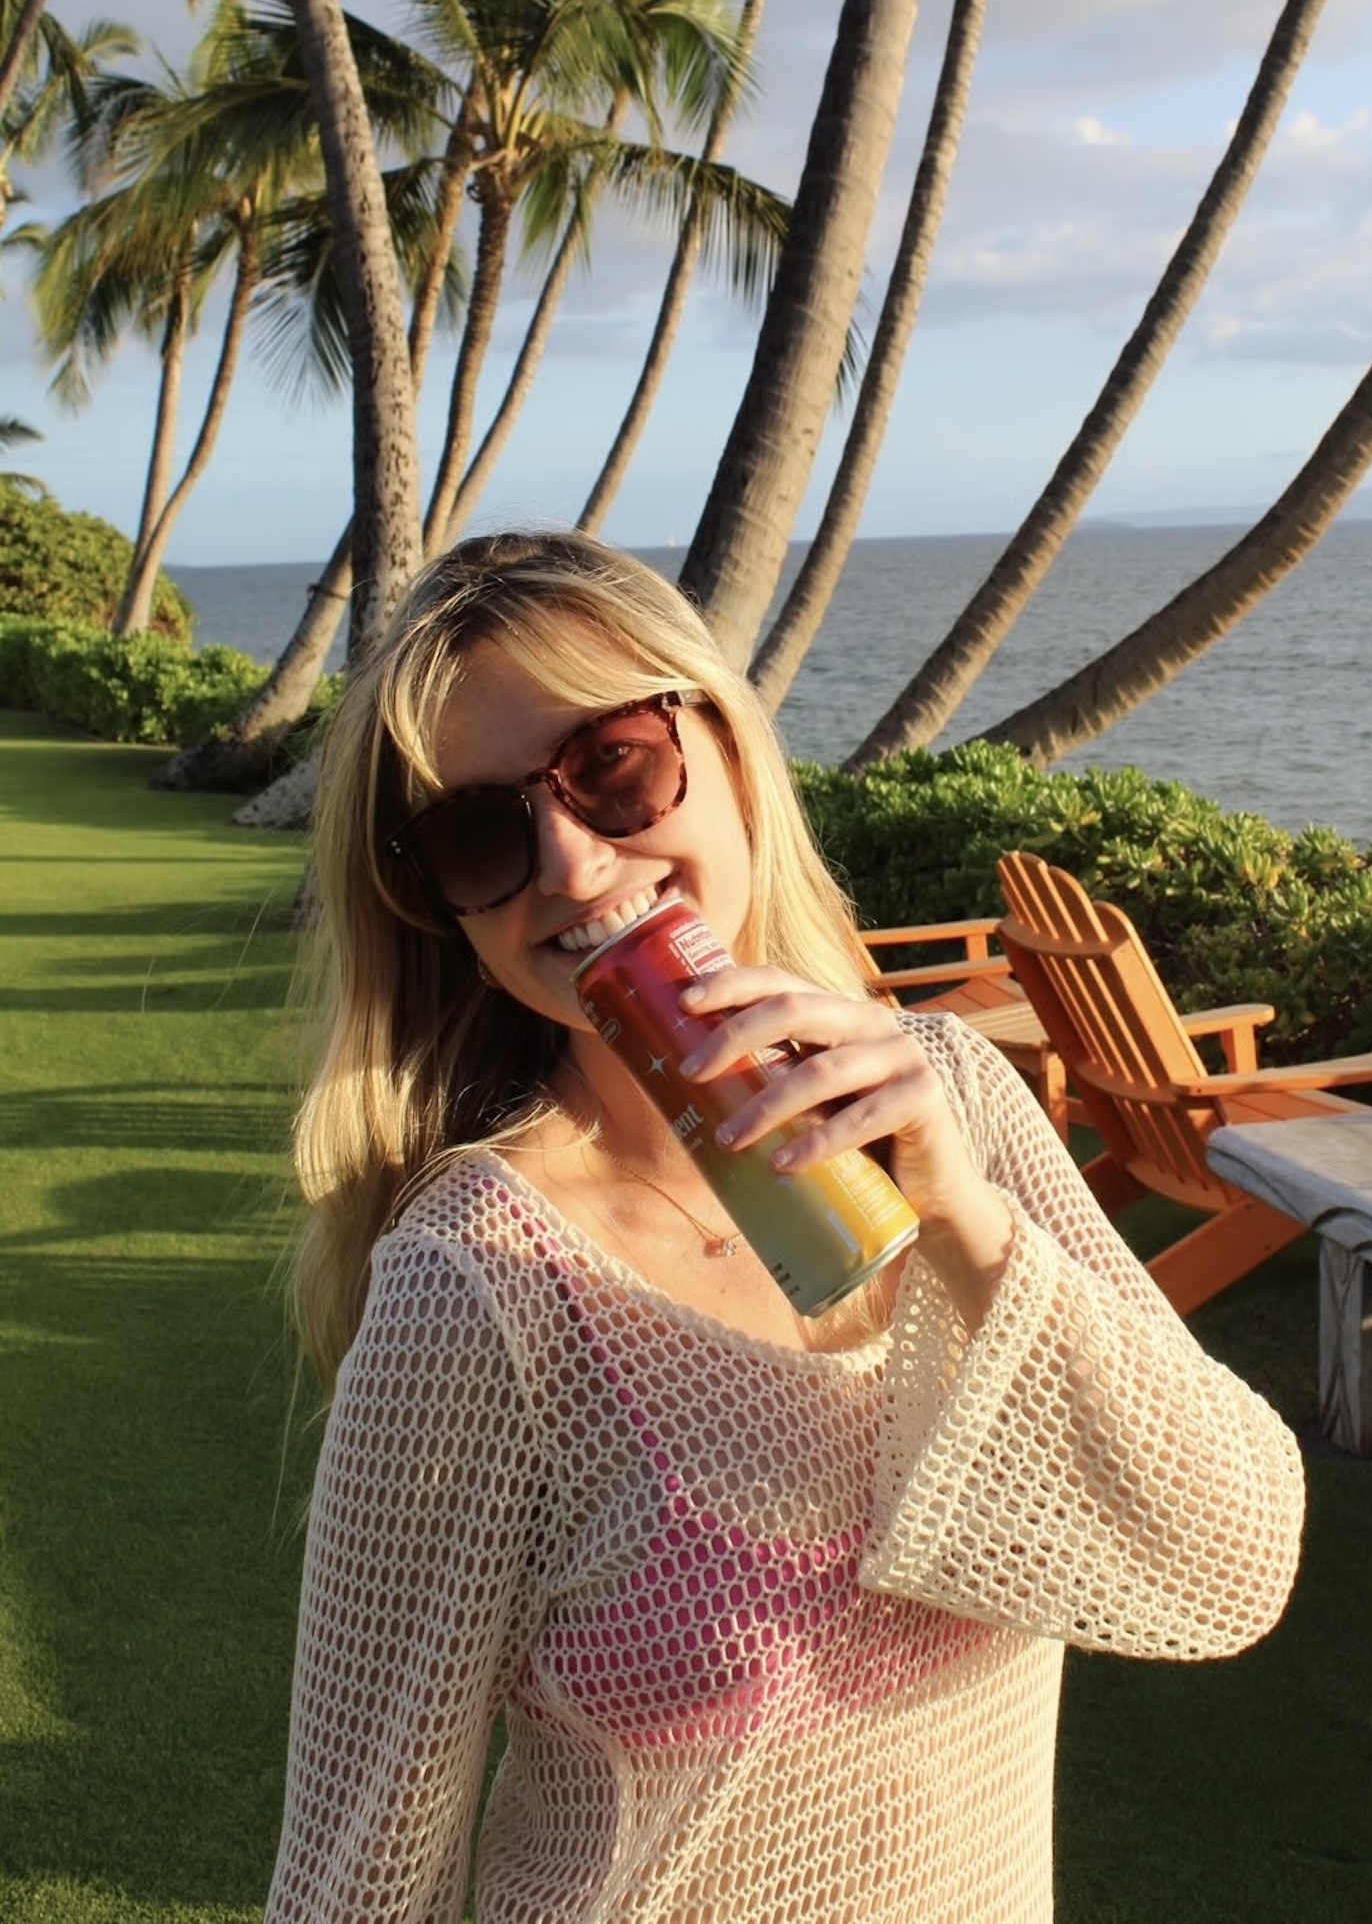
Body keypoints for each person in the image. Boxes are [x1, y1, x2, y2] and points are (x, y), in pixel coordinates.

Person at [265, 529, 1305, 1923]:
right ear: (443, 906)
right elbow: (357, 1884)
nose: (571, 868)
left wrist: (966, 1223)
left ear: (731, 748)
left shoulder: (956, 1103)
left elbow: (1228, 1560)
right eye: (478, 834)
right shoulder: (482, 1287)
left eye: (613, 766)